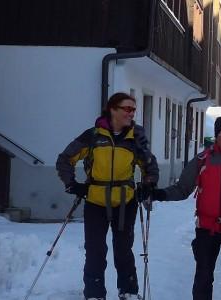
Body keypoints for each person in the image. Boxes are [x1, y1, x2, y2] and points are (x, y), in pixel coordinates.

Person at [147, 116, 221, 300]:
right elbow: (183, 188)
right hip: (206, 229)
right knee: (203, 278)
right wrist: (161, 194)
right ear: (219, 133)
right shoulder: (202, 160)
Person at [56, 92, 159, 300]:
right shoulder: (93, 135)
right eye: (127, 109)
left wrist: (147, 185)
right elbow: (65, 159)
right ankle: (94, 294)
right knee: (95, 251)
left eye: (133, 109)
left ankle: (128, 292)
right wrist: (72, 185)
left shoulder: (135, 138)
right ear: (113, 109)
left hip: (125, 202)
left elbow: (150, 166)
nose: (131, 113)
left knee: (123, 250)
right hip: (95, 201)